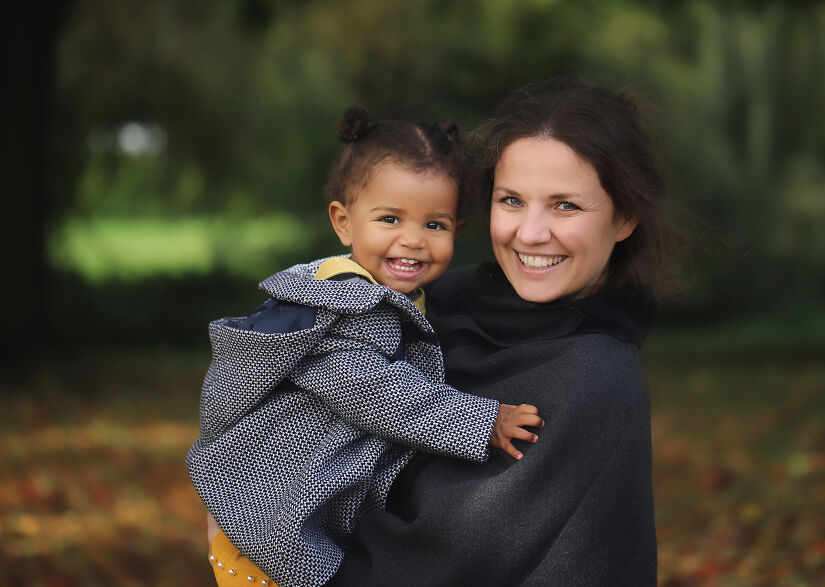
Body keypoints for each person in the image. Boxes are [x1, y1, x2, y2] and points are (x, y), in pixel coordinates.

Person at [327, 78, 679, 585]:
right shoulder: (424, 308)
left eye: (566, 205)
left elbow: (442, 560)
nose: (531, 232)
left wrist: (259, 549)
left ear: (624, 217)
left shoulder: (597, 378)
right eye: (511, 200)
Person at [186, 106, 543, 587]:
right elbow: (372, 390)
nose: (413, 240)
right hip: (265, 518)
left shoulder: (398, 298)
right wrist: (481, 422)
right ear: (344, 222)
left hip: (289, 513)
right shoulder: (340, 302)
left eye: (434, 225)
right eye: (390, 218)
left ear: (457, 231)